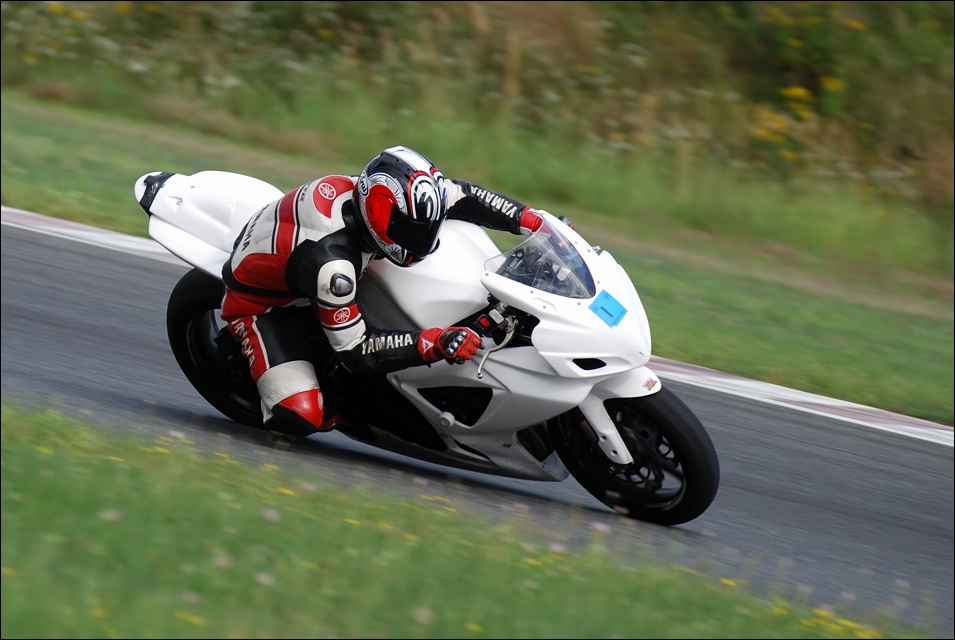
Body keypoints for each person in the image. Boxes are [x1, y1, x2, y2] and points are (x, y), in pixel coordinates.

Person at [220, 145, 545, 442]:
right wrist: (435, 341)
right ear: (377, 214)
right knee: (302, 414)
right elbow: (356, 351)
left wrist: (531, 220)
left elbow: (467, 196)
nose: (419, 241)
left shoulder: (399, 196)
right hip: (266, 306)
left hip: (299, 260)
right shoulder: (334, 268)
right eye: (409, 231)